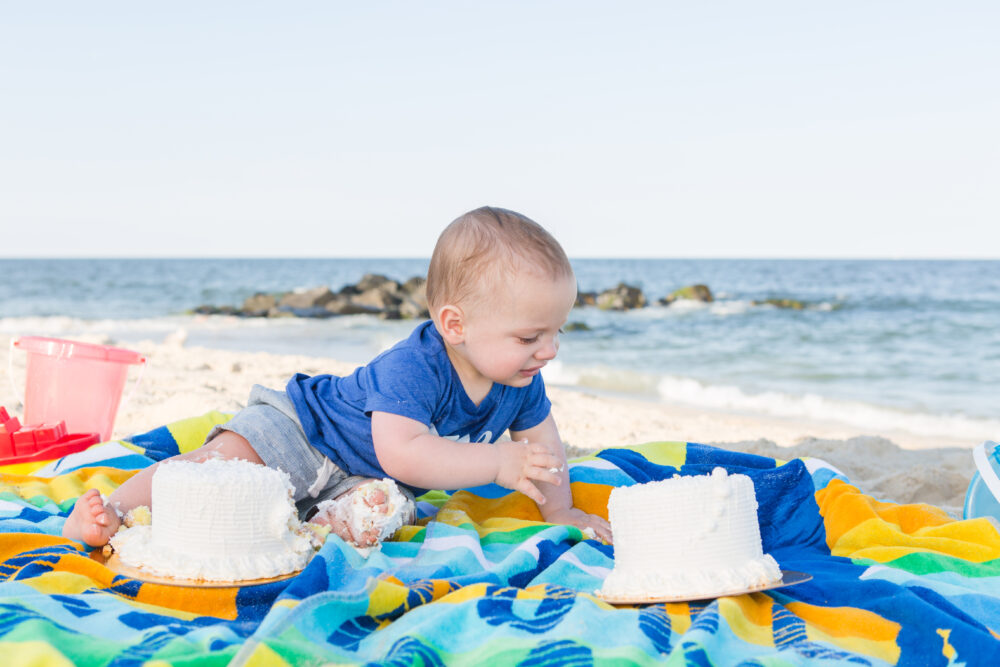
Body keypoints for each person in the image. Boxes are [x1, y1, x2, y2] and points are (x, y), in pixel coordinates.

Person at [63, 206, 613, 548]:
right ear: (455, 324)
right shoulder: (417, 365)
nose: (550, 350)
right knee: (215, 470)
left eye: (556, 331)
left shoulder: (522, 381)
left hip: (360, 475)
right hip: (307, 432)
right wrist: (497, 462)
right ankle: (110, 511)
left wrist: (560, 508)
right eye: (529, 337)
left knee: (382, 510)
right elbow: (403, 452)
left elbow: (547, 451)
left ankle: (302, 531)